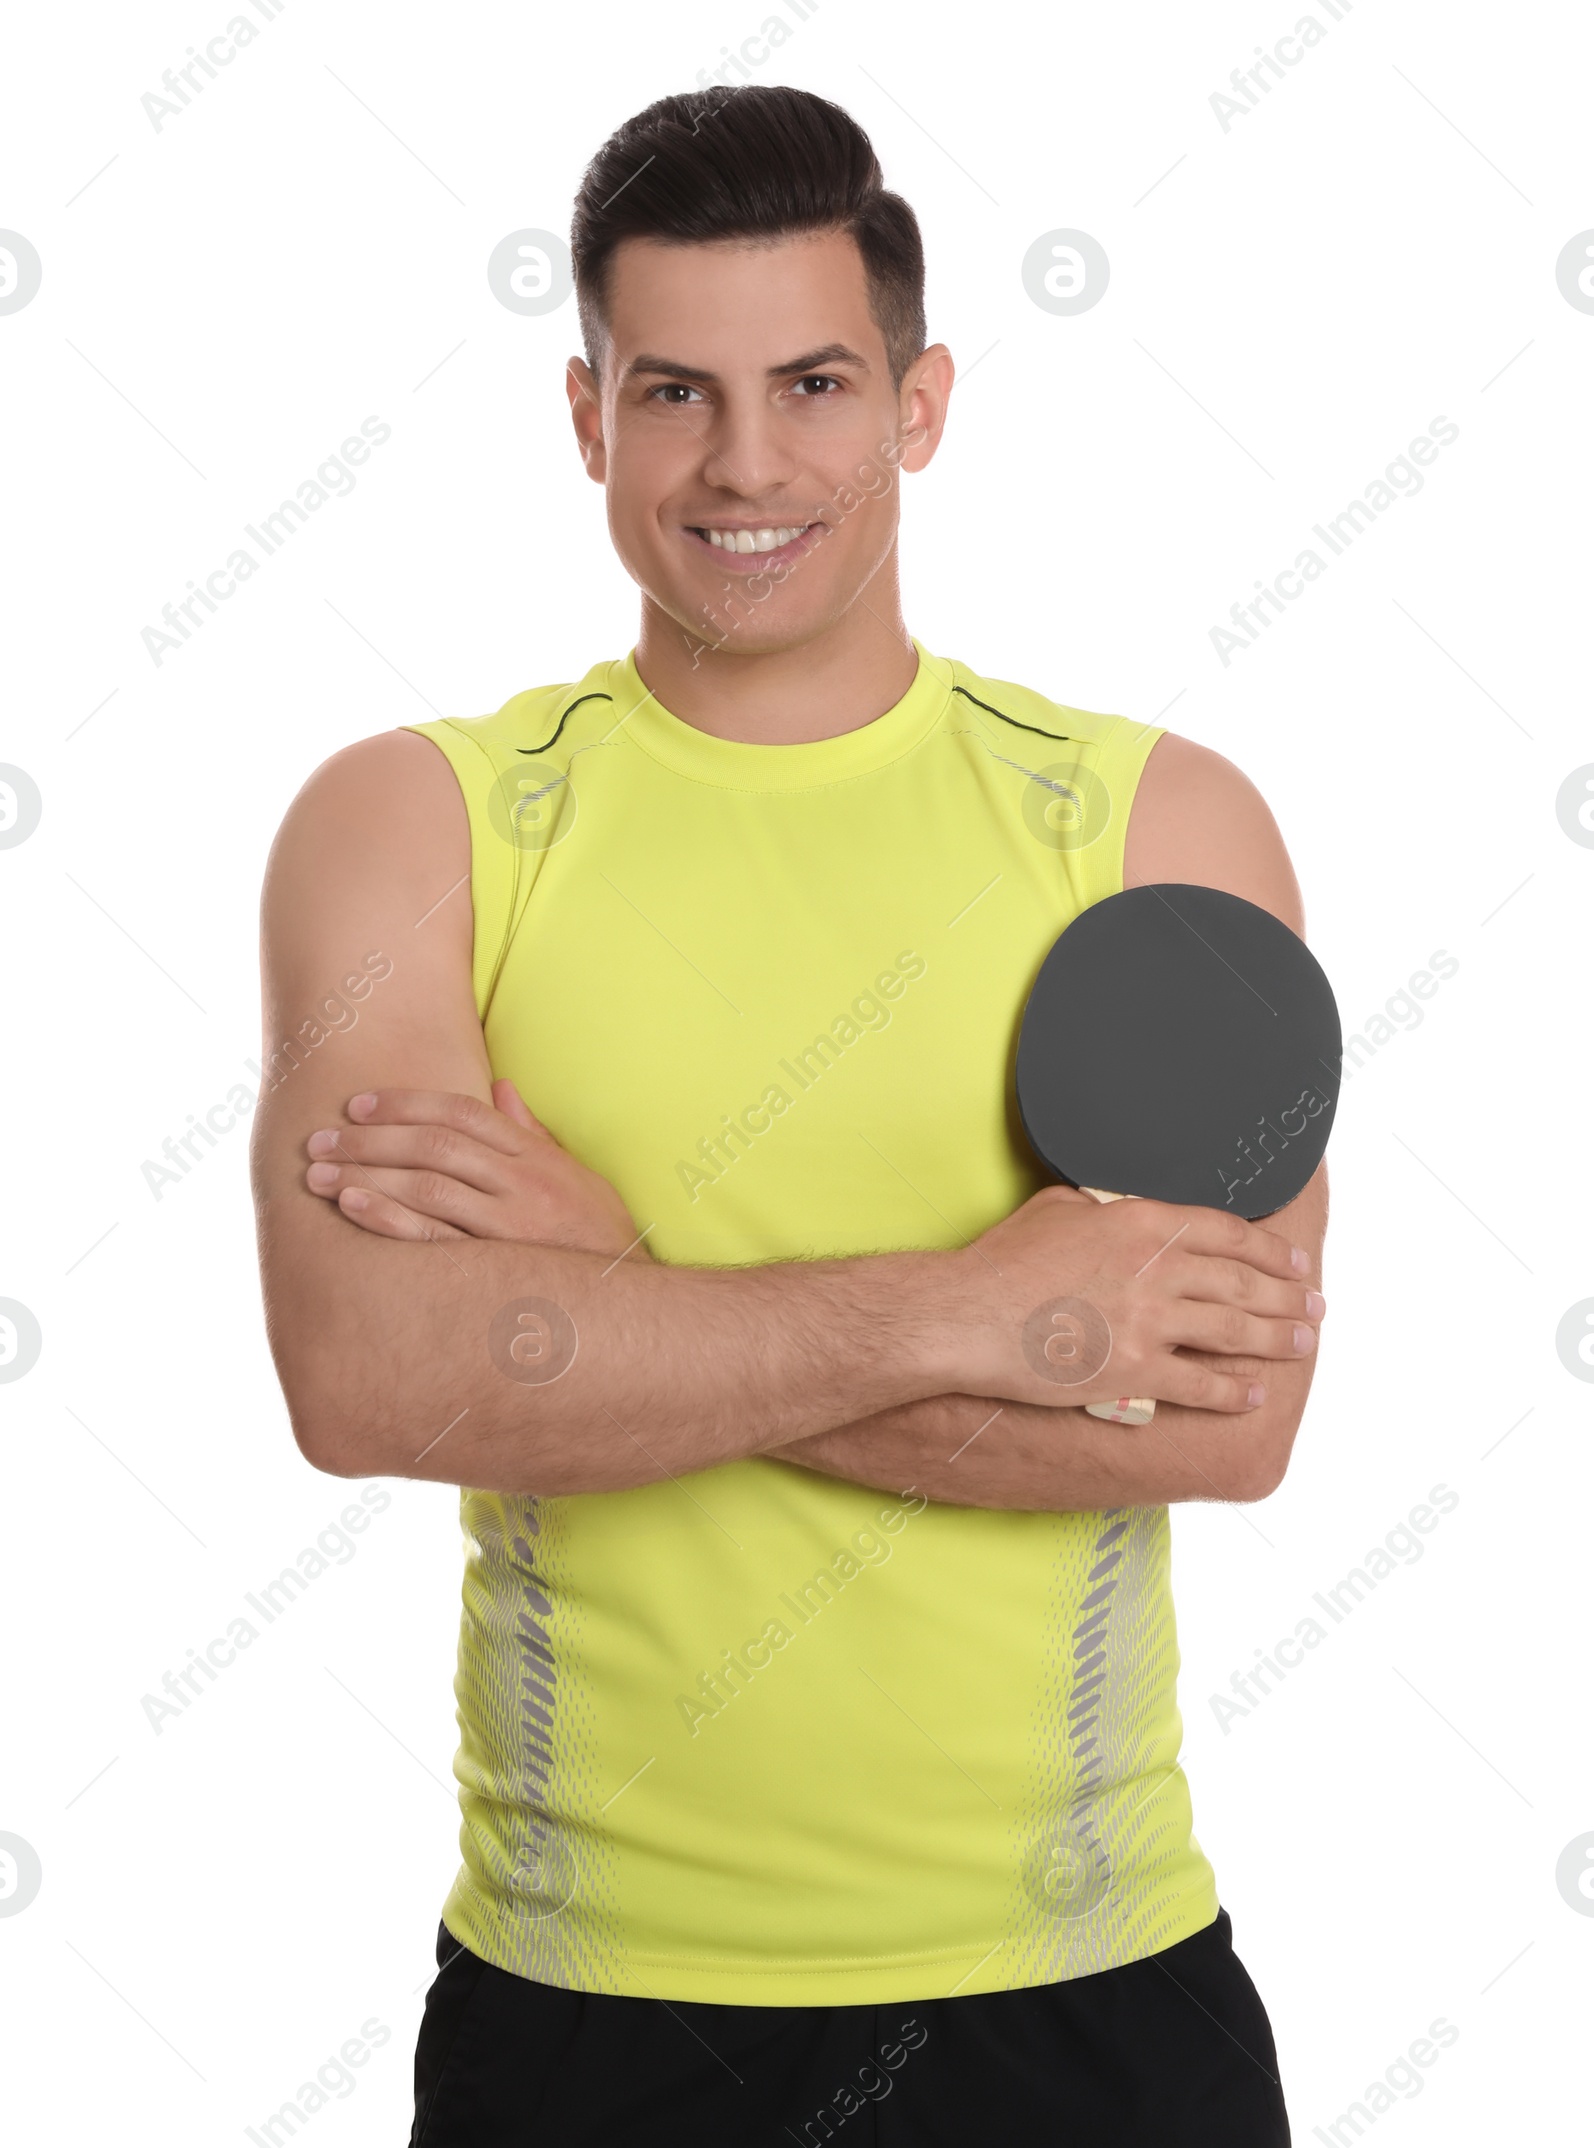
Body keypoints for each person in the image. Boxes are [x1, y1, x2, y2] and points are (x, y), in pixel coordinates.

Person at [250, 83, 1326, 2147]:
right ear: (585, 417)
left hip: (1082, 1994)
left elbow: (1223, 1419)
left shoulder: (1148, 831)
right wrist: (983, 1314)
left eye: (813, 383)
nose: (746, 465)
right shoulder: (422, 827)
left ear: (918, 403)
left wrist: (601, 1288)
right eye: (674, 393)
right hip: (589, 2008)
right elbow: (372, 1378)